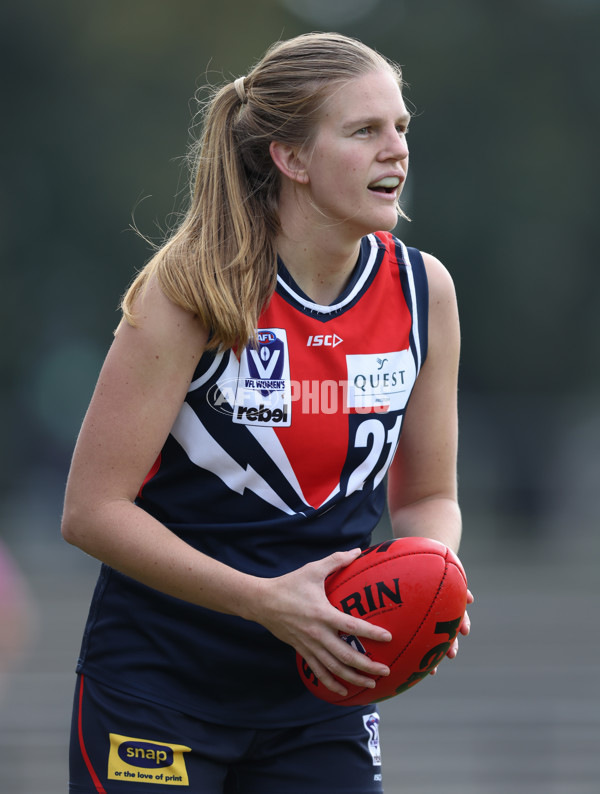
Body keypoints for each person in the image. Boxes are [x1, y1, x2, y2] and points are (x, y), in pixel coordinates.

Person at [62, 31, 472, 794]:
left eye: (401, 129)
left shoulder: (425, 294)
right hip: (159, 687)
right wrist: (264, 602)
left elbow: (427, 498)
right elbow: (90, 510)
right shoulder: (189, 292)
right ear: (291, 159)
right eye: (364, 131)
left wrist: (436, 571)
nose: (397, 151)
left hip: (323, 699)